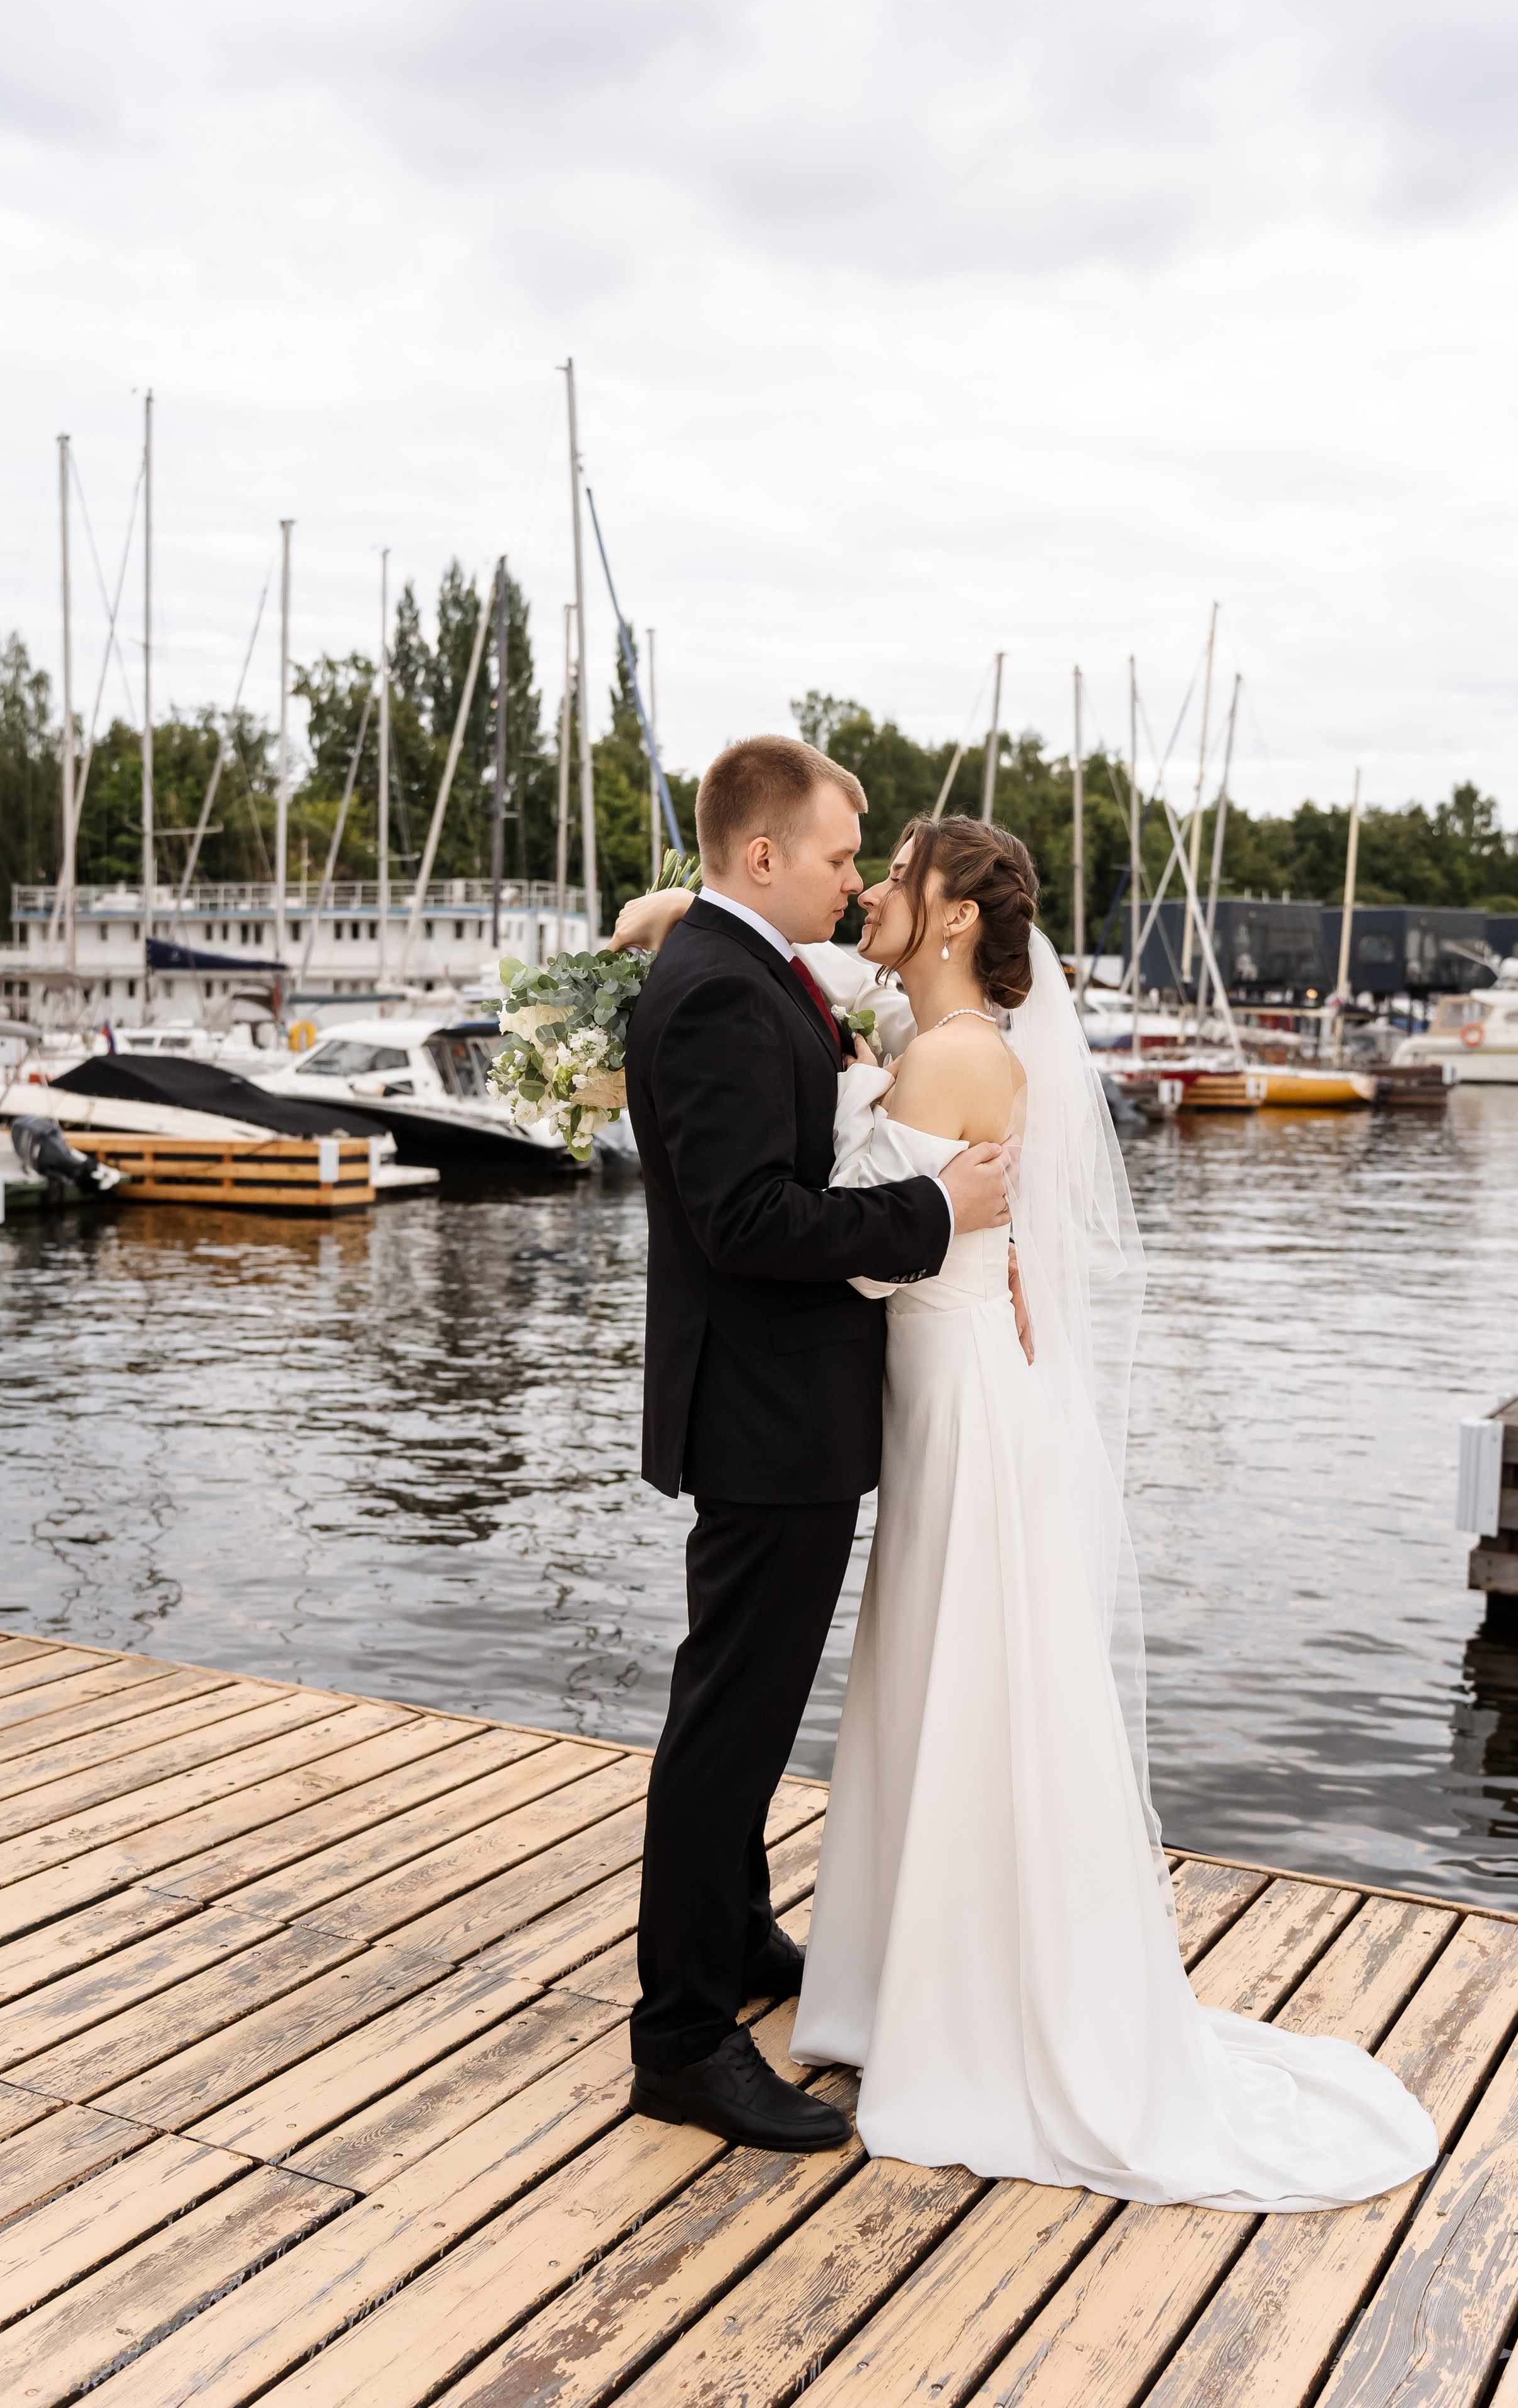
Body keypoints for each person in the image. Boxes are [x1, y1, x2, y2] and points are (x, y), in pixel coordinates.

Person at [785, 814, 1436, 2211]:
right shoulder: (950, 1045)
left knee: (961, 1681)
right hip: (962, 1395)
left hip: (955, 1396)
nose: (881, 892)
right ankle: (932, 1981)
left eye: (902, 875)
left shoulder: (953, 1056)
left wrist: (843, 1118)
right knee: (961, 1680)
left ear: (956, 916)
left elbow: (870, 1264)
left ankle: (965, 2019)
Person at [621, 736, 1012, 2153]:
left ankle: (729, 1945)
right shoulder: (721, 994)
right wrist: (933, 1215)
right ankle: (676, 2038)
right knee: (727, 1724)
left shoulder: (746, 967)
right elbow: (747, 1222)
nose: (858, 882)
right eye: (842, 857)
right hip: (764, 1413)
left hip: (771, 1406)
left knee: (742, 1707)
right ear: (764, 856)